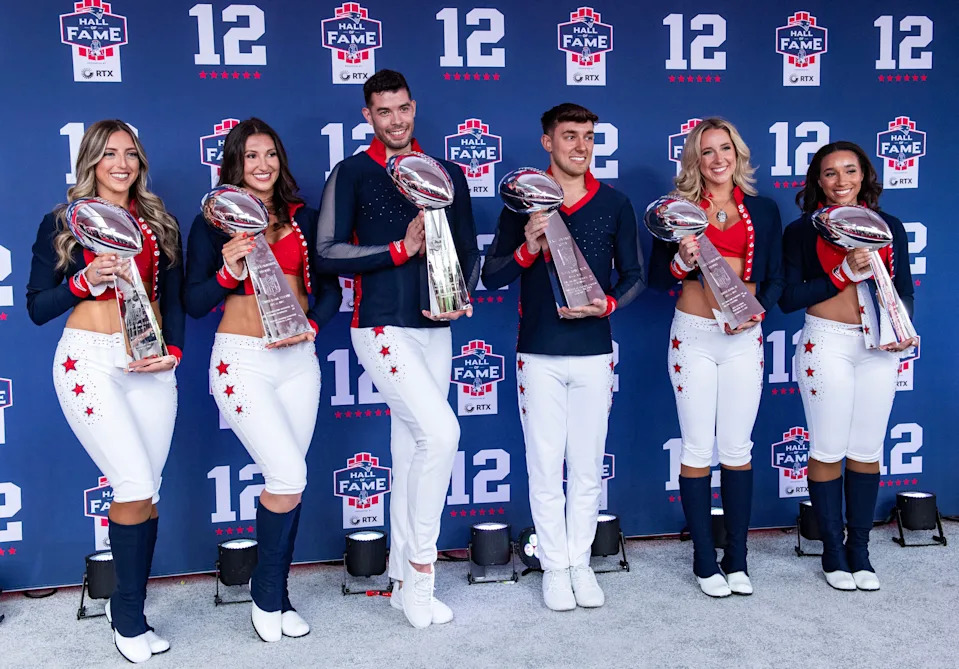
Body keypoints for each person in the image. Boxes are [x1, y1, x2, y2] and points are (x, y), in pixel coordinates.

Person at [315, 69, 479, 629]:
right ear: (368, 116)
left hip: (437, 328)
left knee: (413, 447)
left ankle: (400, 577)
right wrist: (397, 248)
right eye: (384, 112)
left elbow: (466, 251)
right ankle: (422, 570)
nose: (396, 120)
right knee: (442, 433)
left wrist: (462, 295)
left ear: (414, 107)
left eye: (403, 109)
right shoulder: (353, 172)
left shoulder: (447, 173)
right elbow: (328, 254)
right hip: (380, 326)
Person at [27, 119, 183, 663]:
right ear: (91, 160)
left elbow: (179, 300)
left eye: (131, 154)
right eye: (110, 153)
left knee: (148, 489)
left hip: (152, 364)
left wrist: (174, 352)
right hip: (89, 362)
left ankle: (133, 611)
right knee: (134, 481)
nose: (122, 164)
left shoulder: (158, 221)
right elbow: (37, 307)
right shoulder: (63, 222)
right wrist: (82, 281)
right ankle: (128, 618)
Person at [481, 103, 644, 611]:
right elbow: (493, 275)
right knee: (546, 463)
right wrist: (528, 247)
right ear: (547, 142)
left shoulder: (614, 203)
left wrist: (610, 304)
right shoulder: (522, 205)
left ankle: (579, 562)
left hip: (594, 352)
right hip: (538, 353)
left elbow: (635, 275)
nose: (580, 146)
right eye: (569, 136)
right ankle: (554, 566)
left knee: (588, 465)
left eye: (588, 136)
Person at [184, 118, 340, 640]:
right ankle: (267, 593)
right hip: (241, 359)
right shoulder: (210, 223)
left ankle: (274, 593)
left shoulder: (303, 216)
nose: (263, 165)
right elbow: (194, 301)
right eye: (251, 156)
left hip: (298, 361)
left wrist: (310, 325)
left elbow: (332, 290)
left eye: (270, 154)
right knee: (288, 475)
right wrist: (229, 271)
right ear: (234, 163)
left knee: (289, 485)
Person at [648, 118, 783, 598]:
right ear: (695, 161)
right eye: (707, 152)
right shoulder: (679, 212)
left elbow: (777, 276)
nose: (718, 158)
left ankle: (738, 560)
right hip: (694, 336)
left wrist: (758, 310)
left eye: (725, 148)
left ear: (738, 154)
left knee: (738, 449)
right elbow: (654, 275)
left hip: (745, 337)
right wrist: (682, 260)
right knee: (697, 449)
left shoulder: (763, 211)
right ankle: (705, 561)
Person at [780, 141, 916, 592]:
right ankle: (832, 552)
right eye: (831, 173)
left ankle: (860, 550)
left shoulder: (889, 226)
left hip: (878, 348)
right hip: (828, 344)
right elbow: (788, 299)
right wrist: (842, 273)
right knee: (828, 448)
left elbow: (903, 290)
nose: (841, 181)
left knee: (866, 449)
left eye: (850, 171)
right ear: (818, 180)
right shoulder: (802, 231)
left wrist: (900, 327)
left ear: (865, 176)